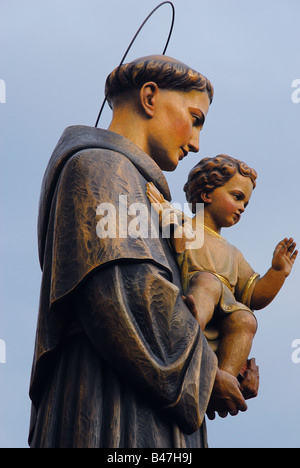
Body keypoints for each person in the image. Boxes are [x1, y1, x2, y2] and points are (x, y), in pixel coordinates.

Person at [29, 56, 257, 448]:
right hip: (108, 402)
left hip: (148, 399)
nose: (197, 142)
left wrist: (225, 367)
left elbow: (168, 301)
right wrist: (205, 375)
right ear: (149, 97)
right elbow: (127, 293)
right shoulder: (102, 167)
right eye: (195, 118)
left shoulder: (133, 184)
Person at [147, 154, 298, 380]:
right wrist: (161, 209)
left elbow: (254, 296)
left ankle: (223, 378)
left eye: (245, 203)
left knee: (246, 319)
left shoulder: (233, 254)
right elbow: (160, 220)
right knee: (209, 282)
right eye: (237, 197)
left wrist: (278, 272)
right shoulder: (184, 225)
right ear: (207, 194)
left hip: (223, 312)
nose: (242, 208)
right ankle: (188, 333)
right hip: (194, 296)